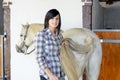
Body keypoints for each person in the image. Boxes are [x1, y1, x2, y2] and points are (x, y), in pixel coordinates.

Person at [35, 9, 69, 80]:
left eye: (57, 19)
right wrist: (50, 75)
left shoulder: (60, 36)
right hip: (48, 77)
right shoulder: (41, 35)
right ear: (47, 20)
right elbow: (39, 58)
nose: (55, 21)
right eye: (52, 18)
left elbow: (61, 55)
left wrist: (66, 46)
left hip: (60, 75)